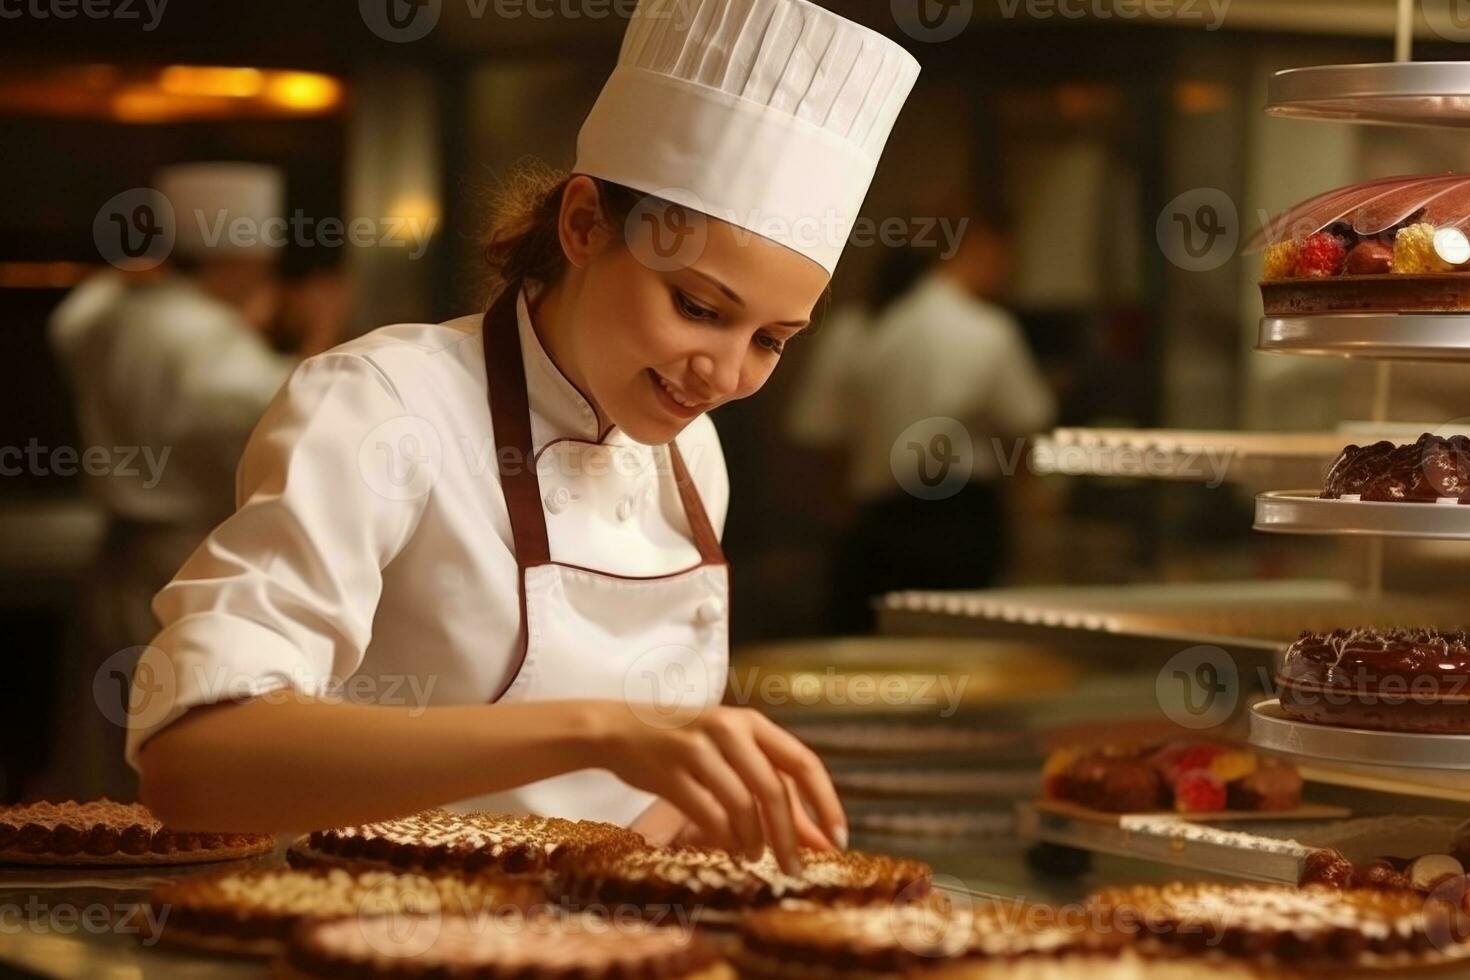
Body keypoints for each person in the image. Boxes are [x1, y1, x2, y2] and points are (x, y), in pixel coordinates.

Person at [128, 0, 919, 873]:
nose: (725, 377)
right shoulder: (386, 405)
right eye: (698, 308)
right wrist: (599, 733)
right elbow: (192, 758)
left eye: (770, 341)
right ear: (583, 225)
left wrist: (697, 813)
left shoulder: (689, 453)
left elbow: (616, 815)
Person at [45, 163, 342, 800]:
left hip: (119, 549)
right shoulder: (206, 335)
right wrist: (320, 330)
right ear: (230, 265)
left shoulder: (106, 313)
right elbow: (297, 411)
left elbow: (71, 320)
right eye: (258, 268)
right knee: (172, 727)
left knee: (102, 739)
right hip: (184, 555)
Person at [800, 212, 1055, 633]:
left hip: (873, 521)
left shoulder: (853, 327)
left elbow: (820, 436)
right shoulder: (985, 329)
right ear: (979, 250)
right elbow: (1027, 425)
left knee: (874, 656)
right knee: (957, 658)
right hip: (960, 520)